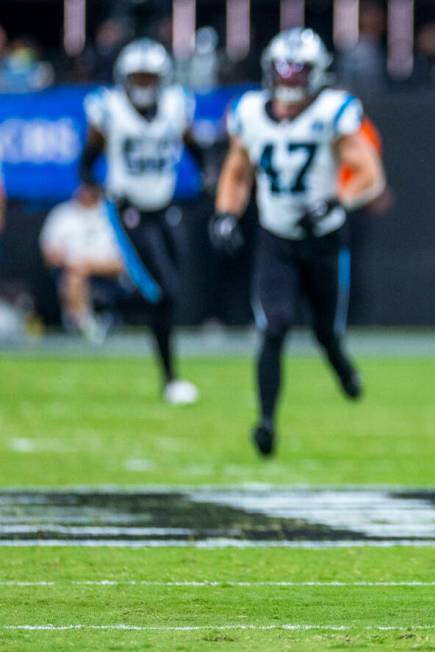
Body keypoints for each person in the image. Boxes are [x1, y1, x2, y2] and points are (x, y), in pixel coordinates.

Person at [212, 28, 385, 458]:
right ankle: (266, 422)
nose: (289, 78)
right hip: (276, 239)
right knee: (274, 326)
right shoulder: (249, 112)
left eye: (298, 69)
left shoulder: (333, 111)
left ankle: (341, 365)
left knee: (326, 330)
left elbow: (369, 174)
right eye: (282, 69)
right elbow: (237, 171)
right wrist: (226, 213)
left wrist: (335, 203)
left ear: (318, 72)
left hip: (322, 240)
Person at [79, 38, 203, 405]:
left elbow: (193, 146)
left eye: (151, 77)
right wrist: (92, 187)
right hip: (128, 208)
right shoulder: (109, 108)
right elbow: (87, 159)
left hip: (165, 207)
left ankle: (112, 310)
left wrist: (208, 174)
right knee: (160, 291)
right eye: (139, 77)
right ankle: (169, 378)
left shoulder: (177, 105)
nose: (145, 84)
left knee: (171, 290)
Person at [39, 185, 123, 341]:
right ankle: (85, 325)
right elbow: (49, 254)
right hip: (69, 272)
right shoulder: (62, 214)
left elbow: (122, 262)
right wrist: (72, 263)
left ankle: (80, 323)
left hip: (106, 275)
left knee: (78, 271)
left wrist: (88, 265)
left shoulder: (111, 216)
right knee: (75, 275)